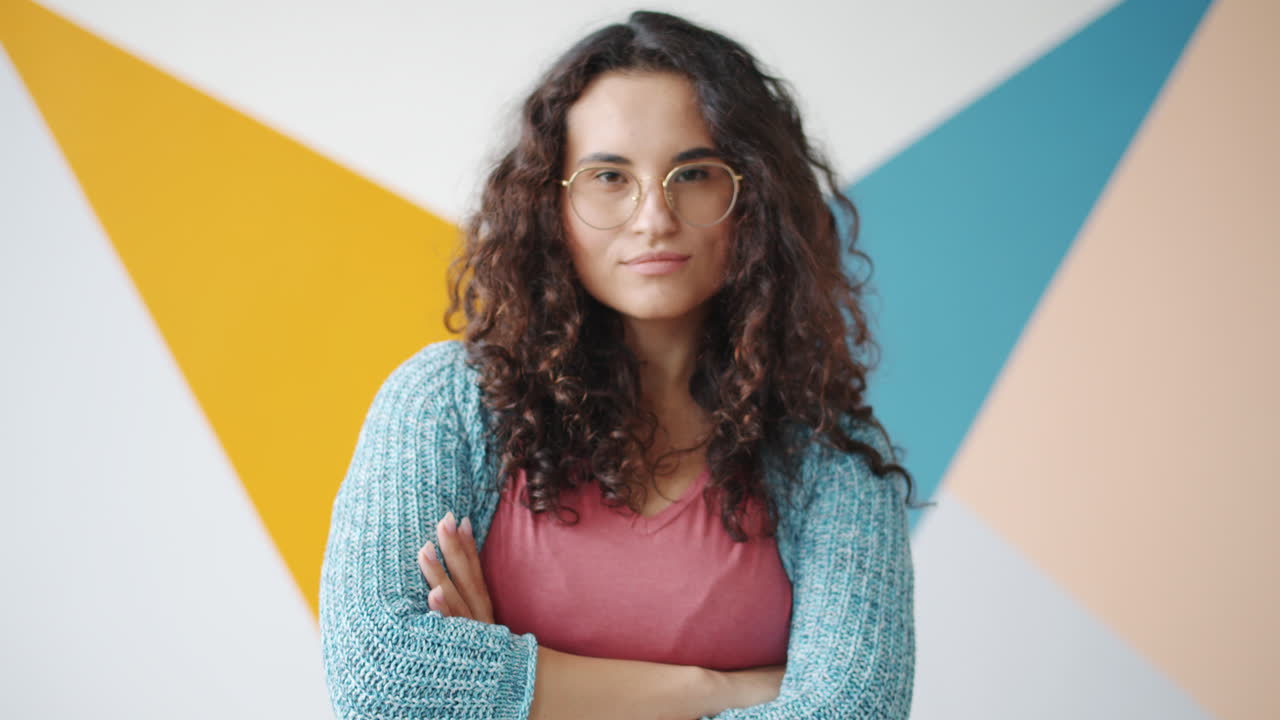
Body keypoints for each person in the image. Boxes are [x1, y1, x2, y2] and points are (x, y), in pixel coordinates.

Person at [320, 10, 919, 719]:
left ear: (753, 197)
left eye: (693, 173)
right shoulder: (448, 404)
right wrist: (718, 688)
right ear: (551, 204)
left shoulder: (833, 456)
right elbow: (383, 682)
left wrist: (507, 689)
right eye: (609, 175)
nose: (653, 218)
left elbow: (853, 713)